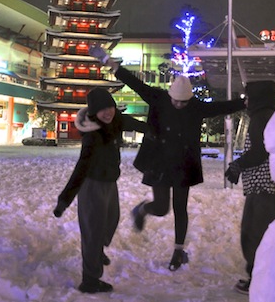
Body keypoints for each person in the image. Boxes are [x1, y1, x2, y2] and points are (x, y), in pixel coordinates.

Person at [90, 46, 246, 271]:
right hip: (159, 162)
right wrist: (108, 61)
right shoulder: (158, 98)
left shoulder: (195, 107)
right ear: (170, 95)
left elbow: (221, 108)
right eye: (176, 101)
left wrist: (244, 102)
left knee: (180, 208)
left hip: (184, 165)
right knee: (162, 208)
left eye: (184, 102)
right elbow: (134, 82)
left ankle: (178, 251)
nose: (179, 105)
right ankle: (142, 210)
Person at [53, 87, 147, 294]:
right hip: (91, 185)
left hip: (110, 183)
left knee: (112, 220)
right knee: (93, 233)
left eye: (110, 107)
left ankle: (97, 252)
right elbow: (81, 168)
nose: (108, 112)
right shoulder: (92, 136)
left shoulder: (116, 122)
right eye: (103, 109)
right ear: (95, 112)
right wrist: (64, 200)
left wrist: (158, 130)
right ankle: (90, 281)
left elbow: (139, 125)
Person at [224, 80, 275, 294]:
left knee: (255, 235)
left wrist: (238, 165)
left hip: (264, 189)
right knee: (256, 234)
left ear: (258, 97)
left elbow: (260, 152)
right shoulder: (268, 116)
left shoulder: (262, 118)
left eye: (248, 96)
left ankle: (260, 280)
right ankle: (259, 277)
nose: (246, 100)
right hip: (266, 188)